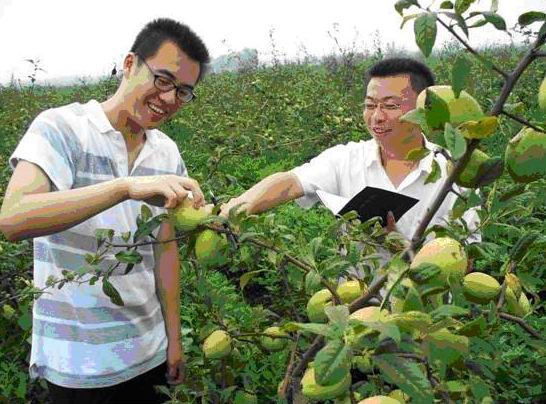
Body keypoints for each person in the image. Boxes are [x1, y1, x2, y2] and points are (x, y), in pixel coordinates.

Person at [0, 18, 209, 403]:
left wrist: (173, 339)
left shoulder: (166, 152)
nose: (168, 99)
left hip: (148, 353)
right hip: (79, 366)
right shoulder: (61, 128)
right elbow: (14, 217)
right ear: (130, 64)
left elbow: (164, 249)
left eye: (183, 92)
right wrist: (125, 189)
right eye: (162, 80)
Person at [220, 57, 480, 252]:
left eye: (390, 106)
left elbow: (468, 257)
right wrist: (240, 207)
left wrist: (402, 249)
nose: (376, 117)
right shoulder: (346, 160)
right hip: (356, 312)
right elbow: (289, 183)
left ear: (424, 110)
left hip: (431, 315)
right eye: (369, 105)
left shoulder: (457, 173)